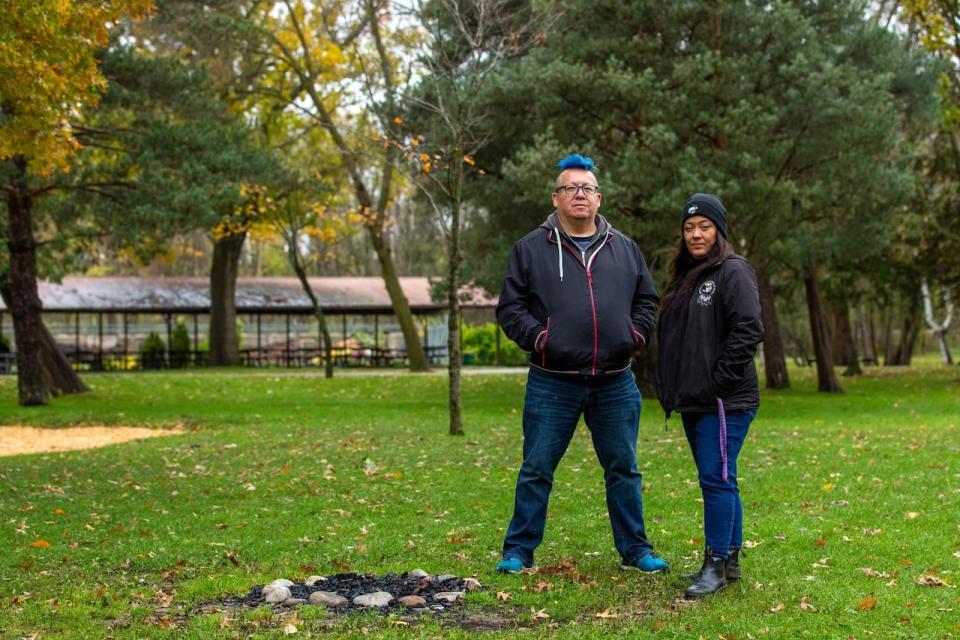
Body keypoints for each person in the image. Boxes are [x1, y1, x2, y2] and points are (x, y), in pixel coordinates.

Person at [494, 153, 667, 574]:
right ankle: (519, 551)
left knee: (623, 469)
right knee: (536, 468)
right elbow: (511, 308)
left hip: (615, 382)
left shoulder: (624, 249)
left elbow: (647, 301)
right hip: (552, 382)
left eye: (587, 188)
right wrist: (542, 339)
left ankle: (635, 550)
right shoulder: (531, 249)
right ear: (556, 199)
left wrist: (634, 337)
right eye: (570, 188)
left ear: (599, 198)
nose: (579, 195)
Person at [656, 193, 763, 597]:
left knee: (715, 480)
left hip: (724, 400)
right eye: (688, 227)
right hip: (695, 399)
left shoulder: (732, 270)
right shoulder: (689, 275)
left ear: (719, 230)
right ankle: (730, 559)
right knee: (723, 477)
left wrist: (718, 381)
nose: (695, 234)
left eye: (704, 226)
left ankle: (715, 564)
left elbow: (748, 329)